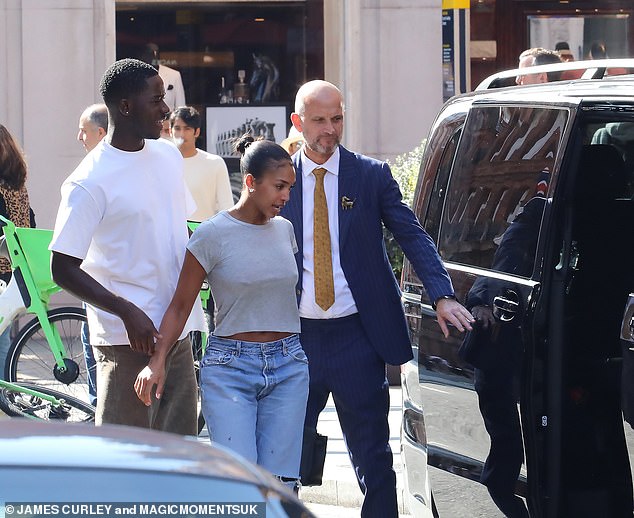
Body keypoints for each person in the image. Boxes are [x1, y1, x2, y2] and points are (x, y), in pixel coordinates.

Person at [280, 80, 474, 517]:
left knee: (373, 459)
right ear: (297, 123)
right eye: (319, 121)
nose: (329, 130)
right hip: (295, 340)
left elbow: (411, 234)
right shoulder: (281, 179)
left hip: (356, 337)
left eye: (337, 119)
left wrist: (442, 295)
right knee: (282, 458)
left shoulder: (369, 176)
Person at [134, 136, 309, 491]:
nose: (286, 197)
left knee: (281, 486)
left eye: (289, 187)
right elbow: (181, 305)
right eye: (279, 187)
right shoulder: (212, 234)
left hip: (289, 363)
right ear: (250, 182)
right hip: (231, 369)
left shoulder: (285, 230)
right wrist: (158, 359)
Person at [49, 58, 205, 433]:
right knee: (125, 466)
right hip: (125, 343)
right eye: (155, 100)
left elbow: (180, 231)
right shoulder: (88, 181)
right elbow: (63, 267)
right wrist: (125, 311)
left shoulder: (168, 155)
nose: (166, 110)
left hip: (176, 334)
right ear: (125, 106)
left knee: (179, 461)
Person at [76, 104, 109, 406]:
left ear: (100, 133)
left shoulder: (91, 176)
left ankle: (95, 401)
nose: (78, 137)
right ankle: (94, 400)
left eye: (83, 131)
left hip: (101, 282)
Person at [0, 125, 36, 378]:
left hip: (2, 273)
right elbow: (30, 226)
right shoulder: (17, 187)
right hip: (15, 275)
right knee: (3, 342)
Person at [169, 106, 234, 222]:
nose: (182, 134)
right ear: (170, 131)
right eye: (177, 128)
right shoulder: (162, 163)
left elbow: (226, 208)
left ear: (197, 132)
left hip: (204, 234)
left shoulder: (215, 163)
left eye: (187, 128)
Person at [139, 43, 186, 111]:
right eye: (150, 53)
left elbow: (181, 107)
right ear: (143, 56)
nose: (154, 56)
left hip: (169, 119)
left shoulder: (174, 75)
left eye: (156, 53)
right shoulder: (137, 76)